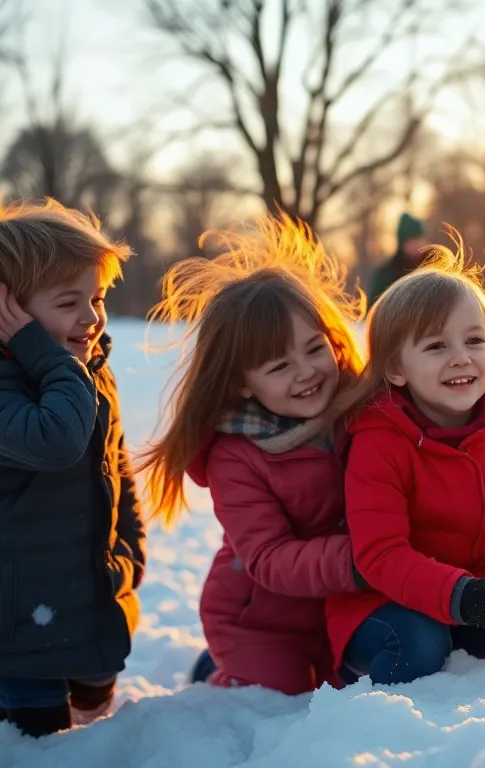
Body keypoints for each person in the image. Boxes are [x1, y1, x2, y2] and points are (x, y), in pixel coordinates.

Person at [0, 195, 144, 737]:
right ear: (4, 311)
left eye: (98, 297)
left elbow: (116, 466)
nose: (91, 318)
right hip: (11, 604)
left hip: (85, 585)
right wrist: (43, 354)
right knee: (41, 732)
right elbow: (58, 441)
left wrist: (130, 547)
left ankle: (46, 700)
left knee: (96, 688)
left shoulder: (85, 370)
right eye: (70, 303)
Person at [136, 214, 368, 695]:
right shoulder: (236, 455)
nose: (306, 372)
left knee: (346, 694)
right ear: (243, 381)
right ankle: (215, 672)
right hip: (258, 618)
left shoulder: (360, 411)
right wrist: (360, 561)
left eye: (313, 348)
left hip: (338, 607)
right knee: (276, 700)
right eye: (280, 365)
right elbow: (267, 556)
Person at [327, 248, 485, 685]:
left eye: (474, 340)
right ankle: (382, 724)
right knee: (421, 641)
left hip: (474, 589)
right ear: (397, 369)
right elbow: (381, 553)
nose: (461, 357)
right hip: (381, 602)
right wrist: (461, 595)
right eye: (436, 345)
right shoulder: (379, 443)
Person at [365, 212, 428, 304]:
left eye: (419, 239)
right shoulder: (387, 274)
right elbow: (373, 305)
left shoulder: (433, 266)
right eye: (412, 240)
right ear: (403, 243)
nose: (417, 245)